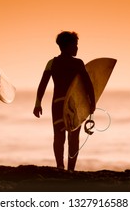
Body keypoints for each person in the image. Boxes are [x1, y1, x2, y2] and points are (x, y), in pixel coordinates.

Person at [33, 31, 95, 171]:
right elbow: (88, 84)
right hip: (74, 105)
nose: (77, 48)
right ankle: (71, 169)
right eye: (75, 45)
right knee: (74, 138)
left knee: (59, 135)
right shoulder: (78, 63)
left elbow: (42, 85)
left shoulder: (52, 63)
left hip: (57, 104)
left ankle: (60, 166)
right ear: (68, 46)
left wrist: (38, 104)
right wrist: (92, 103)